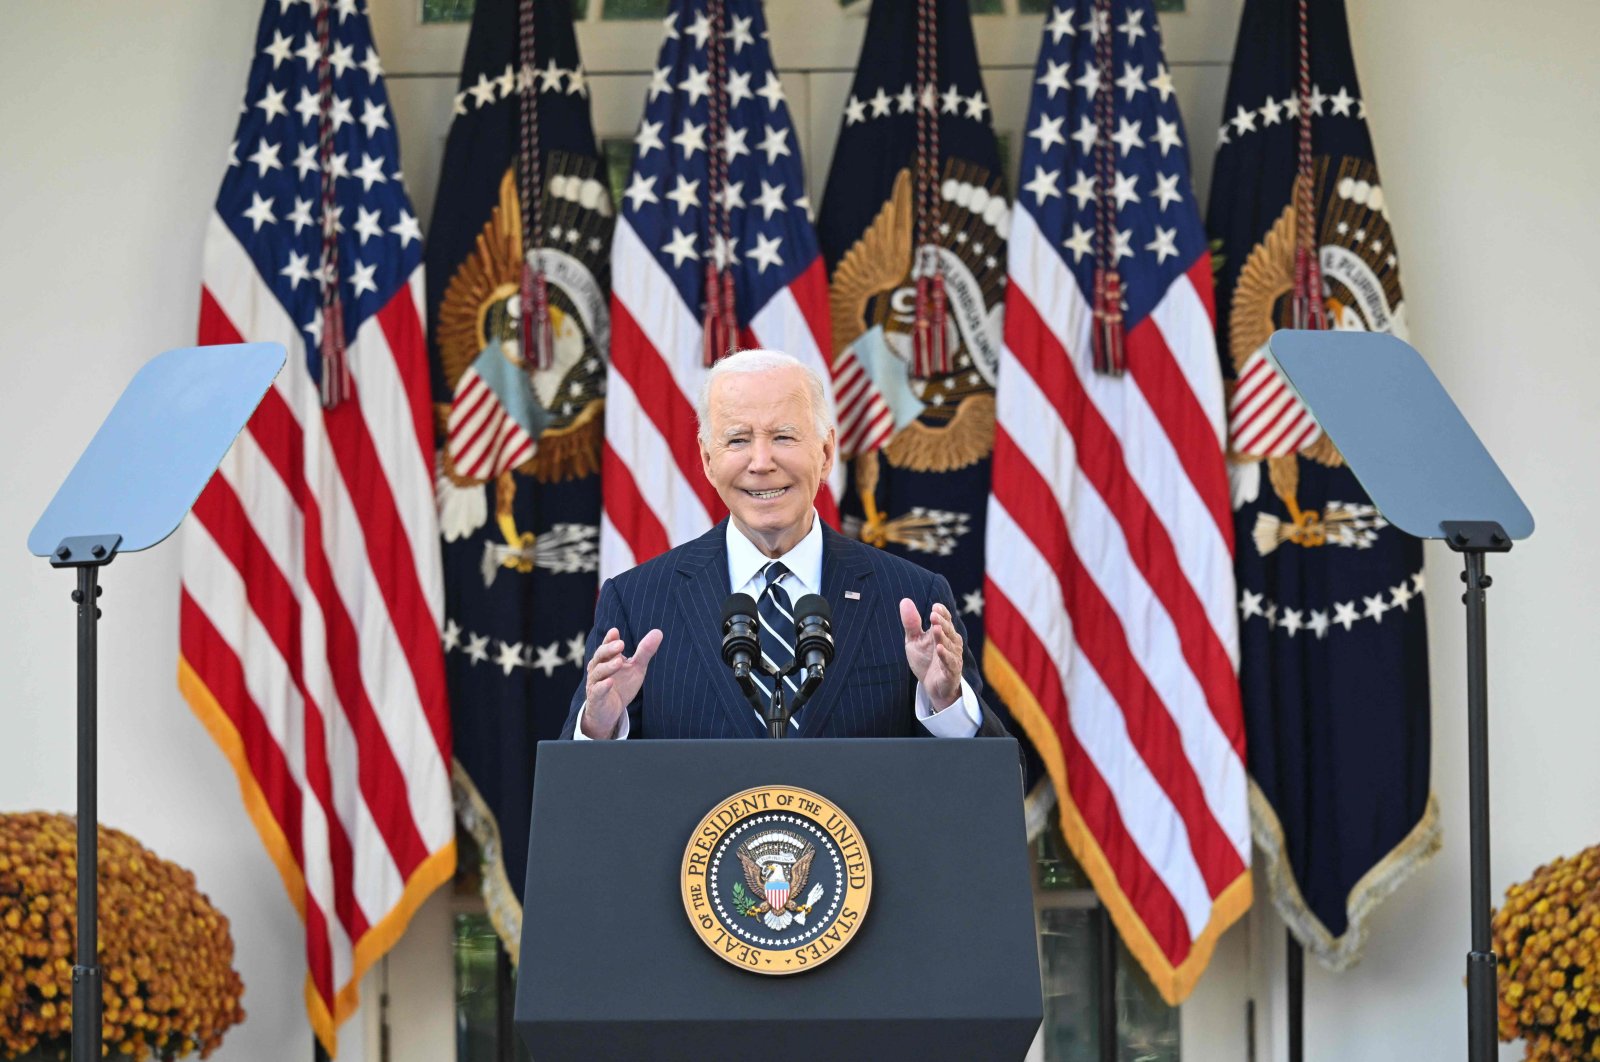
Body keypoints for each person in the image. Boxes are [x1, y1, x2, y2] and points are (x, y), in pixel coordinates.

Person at [561, 348, 1008, 740]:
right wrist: (600, 729)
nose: (761, 462)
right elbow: (580, 799)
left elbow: (984, 790)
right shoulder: (637, 602)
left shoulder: (911, 600)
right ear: (707, 460)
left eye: (783, 437)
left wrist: (946, 704)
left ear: (826, 453)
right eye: (738, 440)